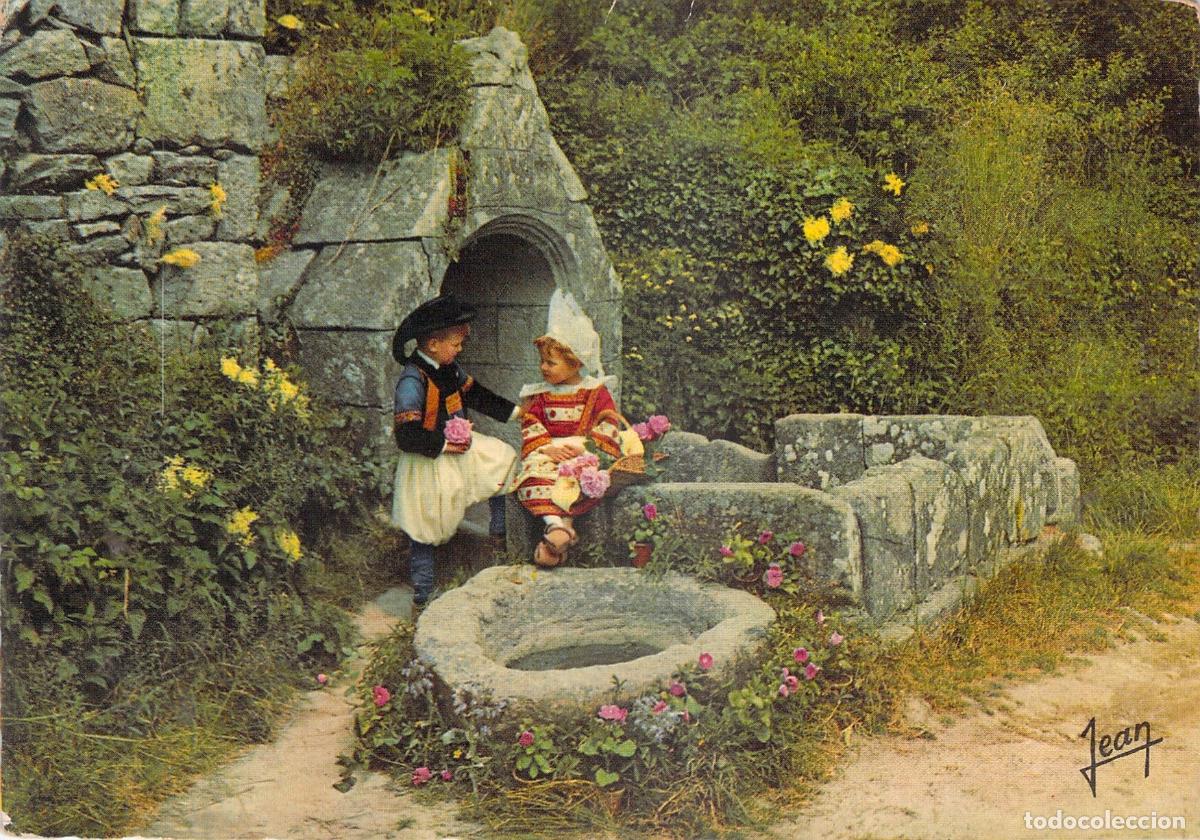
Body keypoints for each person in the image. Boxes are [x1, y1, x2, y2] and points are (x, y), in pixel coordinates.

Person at [390, 294, 523, 607]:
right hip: (429, 458)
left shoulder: (450, 369)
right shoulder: (413, 379)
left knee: (502, 459)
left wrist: (518, 413)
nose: (460, 349)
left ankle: (498, 538)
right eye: (456, 343)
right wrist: (444, 444)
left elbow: (475, 394)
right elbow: (407, 435)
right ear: (433, 344)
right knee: (426, 520)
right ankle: (424, 592)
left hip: (460, 449)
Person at [514, 290, 623, 567]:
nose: (544, 368)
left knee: (581, 478)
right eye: (542, 361)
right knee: (533, 477)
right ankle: (556, 527)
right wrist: (545, 447)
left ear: (574, 363)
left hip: (581, 449)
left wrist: (585, 447)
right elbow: (531, 421)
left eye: (551, 362)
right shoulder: (539, 394)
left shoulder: (594, 391)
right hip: (549, 449)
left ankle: (563, 526)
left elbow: (609, 421)